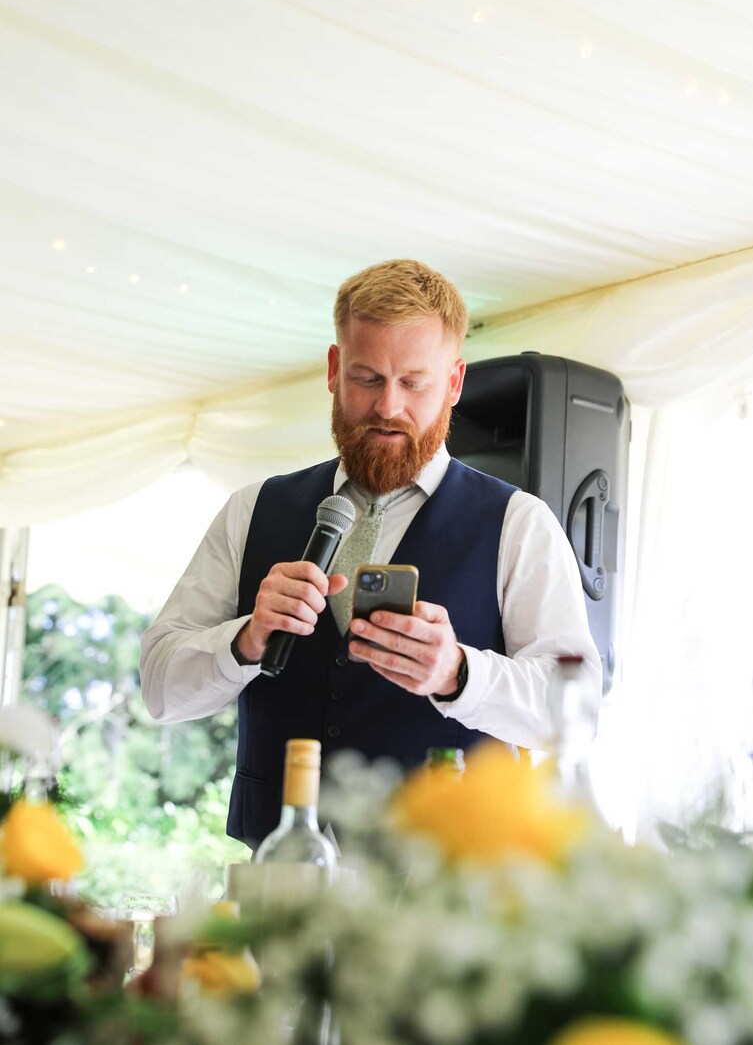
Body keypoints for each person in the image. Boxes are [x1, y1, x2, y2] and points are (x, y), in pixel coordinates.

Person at [140, 259, 602, 847]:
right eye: (367, 378)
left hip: (445, 878)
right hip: (280, 873)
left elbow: (576, 714)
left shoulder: (519, 523)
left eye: (413, 383)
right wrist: (246, 640)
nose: (388, 406)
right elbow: (160, 689)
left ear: (454, 383)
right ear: (334, 370)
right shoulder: (251, 509)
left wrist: (458, 673)